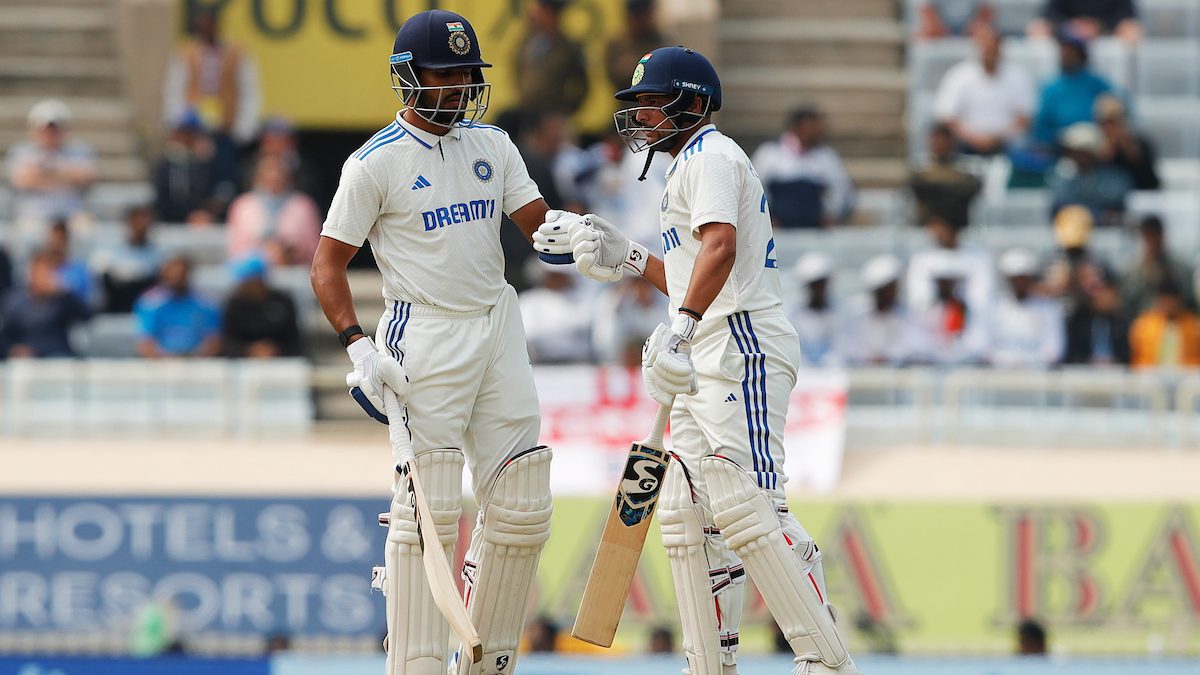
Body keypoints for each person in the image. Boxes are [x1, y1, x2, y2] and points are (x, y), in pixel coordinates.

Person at [534, 45, 862, 675]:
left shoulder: (711, 156)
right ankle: (711, 663)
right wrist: (631, 256)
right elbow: (691, 270)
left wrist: (681, 326)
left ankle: (826, 660)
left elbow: (721, 248)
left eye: (652, 102)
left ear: (691, 103)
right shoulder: (687, 165)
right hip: (705, 341)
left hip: (740, 341)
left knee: (754, 509)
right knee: (688, 510)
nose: (641, 116)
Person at [308, 11, 562, 675]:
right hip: (424, 331)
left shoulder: (494, 145)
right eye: (444, 74)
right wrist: (358, 346)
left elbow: (541, 228)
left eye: (466, 74)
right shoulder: (374, 163)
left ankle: (487, 661)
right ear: (408, 78)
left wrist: (592, 241)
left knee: (521, 500)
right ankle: (416, 663)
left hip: (497, 320)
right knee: (431, 508)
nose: (458, 86)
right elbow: (327, 264)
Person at [933, 27, 1034, 155]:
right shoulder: (959, 76)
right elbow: (947, 116)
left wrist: (997, 138)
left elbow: (1025, 118)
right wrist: (975, 139)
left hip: (1007, 145)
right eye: (985, 47)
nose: (989, 52)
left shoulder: (1018, 76)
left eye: (993, 48)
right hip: (966, 145)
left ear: (1000, 48)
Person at [5, 99, 97, 237]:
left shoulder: (81, 150)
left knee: (86, 233)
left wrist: (43, 174)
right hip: (34, 215)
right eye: (46, 129)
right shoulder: (21, 151)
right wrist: (66, 176)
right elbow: (23, 180)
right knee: (27, 235)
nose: (51, 133)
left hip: (71, 214)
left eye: (55, 129)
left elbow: (86, 177)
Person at [752, 106, 855, 228]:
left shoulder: (827, 157)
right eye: (811, 127)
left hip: (817, 228)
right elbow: (755, 188)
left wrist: (832, 214)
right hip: (778, 227)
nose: (816, 131)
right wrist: (766, 218)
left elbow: (841, 189)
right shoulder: (769, 153)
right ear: (796, 127)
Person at [227, 155, 322, 265]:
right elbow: (235, 251)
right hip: (252, 272)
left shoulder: (304, 205)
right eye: (268, 172)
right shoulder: (242, 205)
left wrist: (290, 254)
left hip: (295, 270)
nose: (274, 177)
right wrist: (266, 253)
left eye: (278, 173)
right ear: (258, 176)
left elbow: (316, 251)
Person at [0, 250, 90, 358]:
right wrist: (12, 349)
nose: (45, 277)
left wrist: (65, 293)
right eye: (41, 271)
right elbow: (6, 338)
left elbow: (87, 316)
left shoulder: (63, 301)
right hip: (26, 361)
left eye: (49, 271)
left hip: (58, 357)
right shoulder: (16, 302)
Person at [1031, 30, 1113, 149]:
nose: (1066, 55)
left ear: (1081, 54)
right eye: (1064, 51)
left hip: (1095, 146)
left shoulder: (1096, 83)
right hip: (1060, 146)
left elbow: (1115, 107)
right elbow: (1042, 126)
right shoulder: (1051, 87)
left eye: (1071, 51)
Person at [842, 255, 926, 366]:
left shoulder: (906, 314)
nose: (894, 292)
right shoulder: (855, 313)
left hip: (897, 372)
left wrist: (888, 357)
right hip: (860, 372)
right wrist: (868, 357)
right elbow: (847, 346)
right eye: (888, 288)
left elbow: (915, 346)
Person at [133, 256, 221, 358]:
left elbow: (213, 339)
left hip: (197, 361)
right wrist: (164, 360)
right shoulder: (150, 303)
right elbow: (145, 341)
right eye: (173, 275)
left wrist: (197, 360)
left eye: (181, 275)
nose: (177, 279)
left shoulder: (206, 303)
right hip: (159, 361)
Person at [990, 248, 1064, 368]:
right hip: (999, 372)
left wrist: (1027, 362)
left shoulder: (1049, 308)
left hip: (1038, 373)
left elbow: (1054, 349)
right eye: (1015, 279)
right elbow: (987, 347)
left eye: (1023, 278)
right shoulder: (995, 307)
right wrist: (1008, 361)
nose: (1019, 283)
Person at [514, 0, 589, 116]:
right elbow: (517, 70)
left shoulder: (568, 48)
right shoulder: (527, 43)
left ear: (551, 14)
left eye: (541, 11)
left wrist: (566, 112)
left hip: (553, 113)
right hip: (527, 110)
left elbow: (581, 85)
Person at [1049, 122, 1133, 226]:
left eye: (1080, 152)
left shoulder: (1115, 178)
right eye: (1071, 151)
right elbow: (1059, 206)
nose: (1074, 156)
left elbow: (1117, 208)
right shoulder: (1063, 176)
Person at [220, 257, 302, 359]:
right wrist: (249, 350)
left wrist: (275, 350)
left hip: (281, 361)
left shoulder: (283, 302)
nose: (243, 286)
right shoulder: (234, 306)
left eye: (248, 282)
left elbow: (294, 340)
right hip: (243, 362)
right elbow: (227, 341)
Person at [90, 205, 164, 313]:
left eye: (144, 224)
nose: (140, 227)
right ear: (129, 224)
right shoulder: (109, 251)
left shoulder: (158, 253)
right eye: (136, 223)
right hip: (116, 300)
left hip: (145, 301)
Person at [908, 123, 982, 230]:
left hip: (959, 230)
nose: (941, 145)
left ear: (952, 142)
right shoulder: (919, 173)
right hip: (926, 230)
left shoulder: (966, 172)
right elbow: (919, 187)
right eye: (937, 140)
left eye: (944, 140)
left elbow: (971, 187)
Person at [518, 262, 593, 363]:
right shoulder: (529, 300)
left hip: (578, 363)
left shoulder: (582, 300)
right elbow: (528, 332)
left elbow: (587, 327)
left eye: (560, 275)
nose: (557, 279)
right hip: (540, 363)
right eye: (553, 275)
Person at [1122, 215, 1193, 318]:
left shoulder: (1179, 266)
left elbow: (1189, 297)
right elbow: (1128, 300)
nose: (1151, 241)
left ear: (1161, 235)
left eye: (1154, 235)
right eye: (1147, 236)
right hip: (1145, 321)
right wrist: (1144, 275)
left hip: (1176, 320)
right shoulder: (1135, 268)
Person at [1093, 95, 1160, 191]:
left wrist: (1125, 144)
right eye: (1105, 122)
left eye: (1113, 122)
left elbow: (1146, 173)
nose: (1109, 127)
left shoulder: (1141, 143)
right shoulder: (1095, 147)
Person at [1129, 281, 1200, 368]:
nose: (1169, 305)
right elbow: (1136, 357)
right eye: (1165, 301)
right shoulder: (1143, 325)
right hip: (1150, 372)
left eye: (1171, 301)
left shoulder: (1193, 325)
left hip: (1186, 372)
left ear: (1178, 301)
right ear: (1158, 301)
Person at [786, 252, 840, 367]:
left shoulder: (839, 310)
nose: (819, 289)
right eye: (815, 285)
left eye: (822, 283)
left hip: (834, 372)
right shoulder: (792, 314)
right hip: (802, 373)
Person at [1064, 271, 1130, 365]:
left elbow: (1127, 354)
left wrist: (1114, 361)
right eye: (1100, 294)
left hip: (1116, 370)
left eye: (1108, 294)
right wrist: (1089, 361)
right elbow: (1072, 354)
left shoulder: (1122, 323)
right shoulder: (1078, 322)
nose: (1104, 298)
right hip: (1085, 370)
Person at [605, 0, 668, 90]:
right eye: (641, 17)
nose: (647, 21)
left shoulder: (660, 42)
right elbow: (615, 74)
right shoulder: (617, 45)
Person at [1028, 0, 1141, 43]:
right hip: (1068, 34)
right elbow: (1050, 13)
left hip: (1107, 33)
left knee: (1132, 30)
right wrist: (1072, 26)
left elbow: (1126, 14)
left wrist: (1098, 27)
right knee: (1038, 28)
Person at [916, 0, 994, 40]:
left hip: (970, 29)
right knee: (923, 35)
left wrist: (971, 28)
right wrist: (942, 30)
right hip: (940, 29)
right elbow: (926, 10)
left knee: (985, 33)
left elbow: (986, 11)